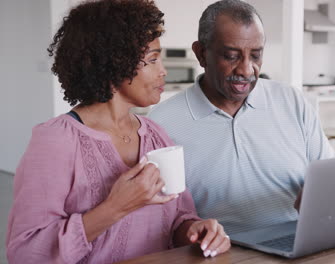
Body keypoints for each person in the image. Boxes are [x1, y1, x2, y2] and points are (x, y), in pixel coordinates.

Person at [6, 0, 230, 263]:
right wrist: (115, 208)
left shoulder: (156, 134)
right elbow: (26, 253)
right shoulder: (55, 141)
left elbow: (177, 217)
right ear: (115, 62)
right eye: (152, 59)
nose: (163, 71)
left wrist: (194, 230)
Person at [148, 0, 335, 235]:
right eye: (231, 56)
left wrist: (321, 190)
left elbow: (330, 174)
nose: (246, 70)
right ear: (201, 54)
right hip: (221, 254)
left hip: (298, 243)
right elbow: (161, 221)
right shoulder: (162, 123)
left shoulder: (292, 101)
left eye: (256, 56)